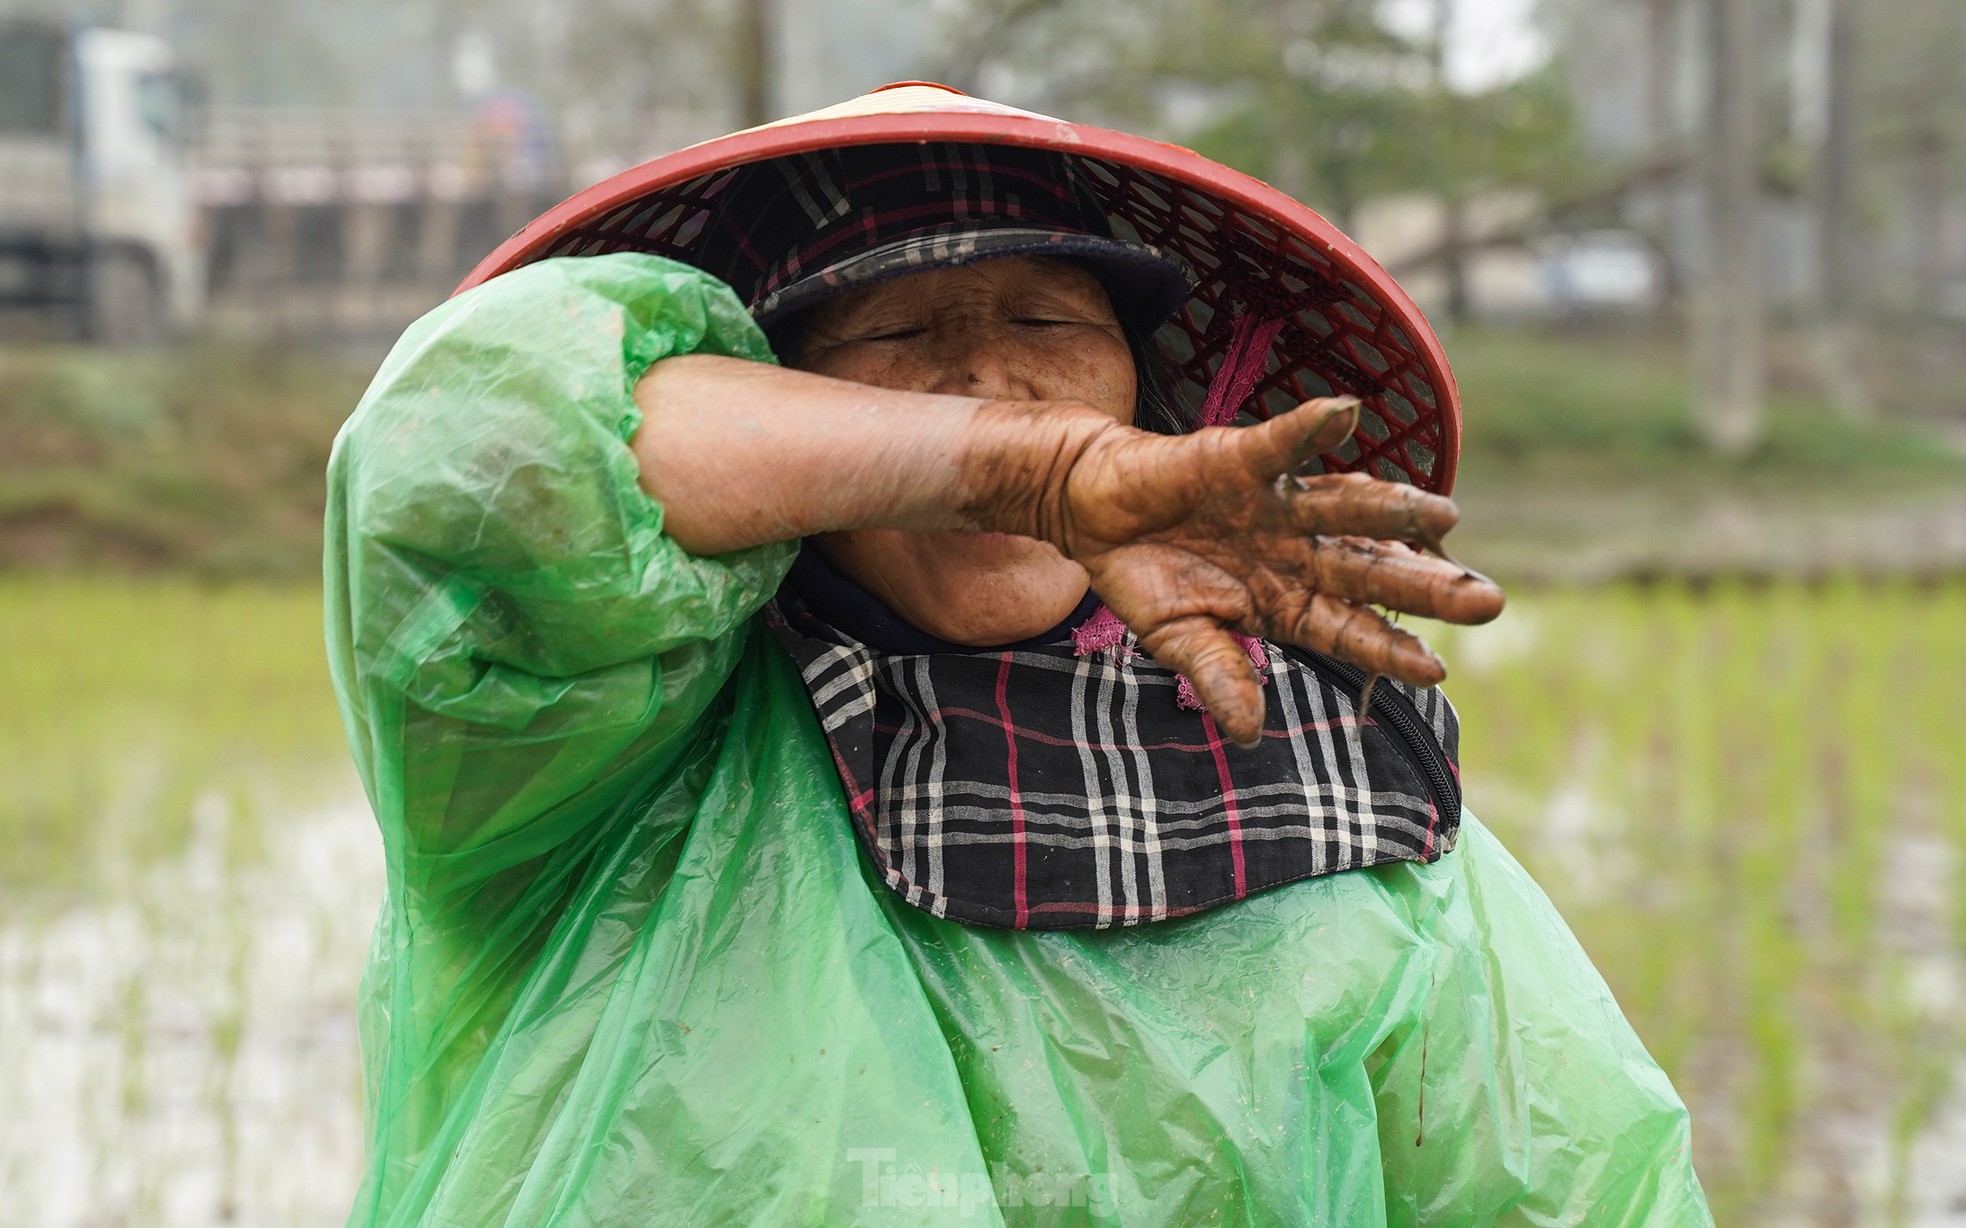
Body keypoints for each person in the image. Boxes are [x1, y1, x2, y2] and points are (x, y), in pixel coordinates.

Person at [326, 86, 1713, 1226]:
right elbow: (466, 455)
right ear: (781, 415)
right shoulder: (598, 753)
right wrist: (1020, 468)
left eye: (1051, 324)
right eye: (894, 334)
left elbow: (1563, 1180)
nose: (993, 377)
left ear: (1146, 391)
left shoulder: (1338, 786)